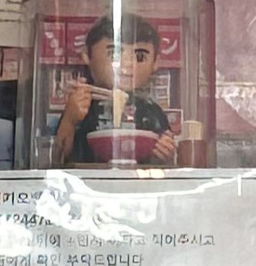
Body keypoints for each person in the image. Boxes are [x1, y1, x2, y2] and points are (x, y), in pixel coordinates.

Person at [53, 13, 175, 166]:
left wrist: (165, 152)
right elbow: (58, 157)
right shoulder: (82, 106)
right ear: (87, 56)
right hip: (86, 178)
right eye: (115, 54)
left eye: (140, 56)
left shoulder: (151, 111)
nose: (128, 64)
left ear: (156, 62)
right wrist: (70, 119)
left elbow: (162, 162)